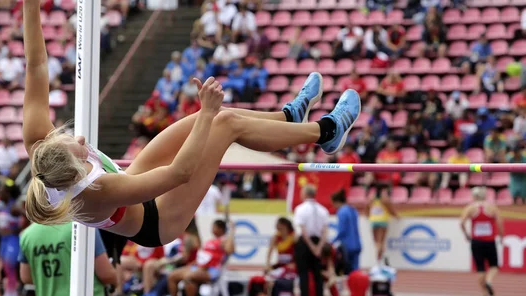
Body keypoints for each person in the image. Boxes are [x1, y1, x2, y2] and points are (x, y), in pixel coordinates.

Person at [21, 0, 361, 248]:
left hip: (133, 184)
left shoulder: (39, 143)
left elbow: (36, 66)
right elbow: (179, 174)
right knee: (222, 122)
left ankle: (290, 118)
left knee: (205, 118)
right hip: (158, 221)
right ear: (79, 171)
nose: (79, 138)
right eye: (79, 149)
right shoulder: (98, 190)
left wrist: (30, 6)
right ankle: (328, 132)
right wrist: (209, 113)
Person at [167, 219, 234, 296]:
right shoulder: (210, 241)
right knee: (172, 276)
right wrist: (192, 264)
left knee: (189, 277)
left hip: (211, 270)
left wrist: (232, 232)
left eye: (214, 227)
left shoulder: (224, 241)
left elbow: (230, 250)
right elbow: (202, 256)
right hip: (198, 267)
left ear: (220, 229)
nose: (212, 229)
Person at [460, 187, 503, 296]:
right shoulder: (492, 207)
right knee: (494, 266)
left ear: (473, 196)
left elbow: (462, 222)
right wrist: (501, 236)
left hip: (476, 241)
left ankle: (484, 292)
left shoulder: (470, 208)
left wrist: (466, 234)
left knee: (480, 267)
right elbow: (500, 223)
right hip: (489, 241)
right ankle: (489, 280)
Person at [293, 184, 329, 296]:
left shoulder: (300, 209)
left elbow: (303, 230)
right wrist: (319, 247)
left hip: (305, 243)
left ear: (305, 194)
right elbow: (325, 231)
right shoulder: (323, 210)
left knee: (304, 275)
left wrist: (312, 246)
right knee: (318, 275)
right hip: (317, 241)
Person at [0, 180, 24, 296]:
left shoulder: (13, 207)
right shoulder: (2, 206)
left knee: (10, 269)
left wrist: (18, 229)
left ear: (8, 193)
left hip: (12, 240)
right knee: (7, 269)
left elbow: (29, 215)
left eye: (1, 191)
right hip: (4, 241)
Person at [331, 189, 362, 272]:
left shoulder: (341, 212)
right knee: (356, 270)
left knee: (347, 270)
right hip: (357, 243)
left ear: (337, 202)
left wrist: (332, 241)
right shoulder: (353, 210)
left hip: (347, 245)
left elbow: (342, 230)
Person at [367, 185, 399, 266]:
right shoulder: (385, 199)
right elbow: (391, 209)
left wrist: (368, 215)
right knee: (381, 242)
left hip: (373, 220)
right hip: (382, 221)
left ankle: (379, 259)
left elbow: (366, 208)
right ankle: (379, 261)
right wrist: (397, 216)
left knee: (377, 242)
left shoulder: (371, 198)